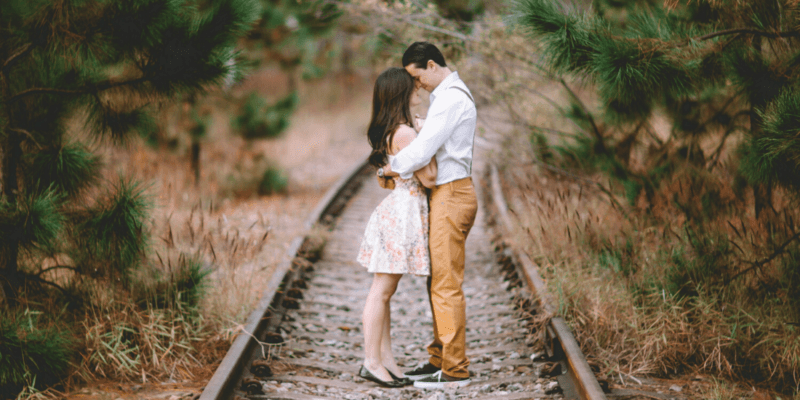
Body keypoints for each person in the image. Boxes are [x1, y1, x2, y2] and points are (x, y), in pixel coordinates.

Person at [381, 41, 478, 390]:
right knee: (436, 281)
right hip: (447, 195)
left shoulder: (451, 98)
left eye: (416, 76)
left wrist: (390, 168)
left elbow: (422, 151)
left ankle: (454, 368)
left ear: (432, 65)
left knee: (446, 285)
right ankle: (439, 357)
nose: (416, 85)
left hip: (452, 195)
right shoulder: (445, 97)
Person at [356, 67, 438, 388]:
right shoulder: (405, 132)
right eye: (412, 85)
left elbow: (390, 178)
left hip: (398, 210)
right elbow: (429, 177)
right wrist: (426, 137)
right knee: (382, 290)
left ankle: (385, 359)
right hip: (402, 214)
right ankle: (371, 361)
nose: (418, 89)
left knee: (385, 292)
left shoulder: (398, 129)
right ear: (401, 93)